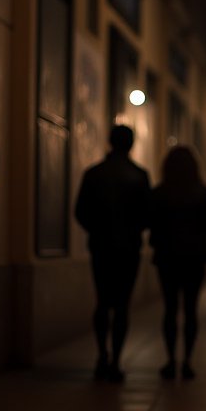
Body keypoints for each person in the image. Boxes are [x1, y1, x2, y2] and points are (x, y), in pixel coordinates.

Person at [74, 124, 151, 383]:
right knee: (122, 305)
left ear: (109, 142)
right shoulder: (140, 176)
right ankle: (116, 360)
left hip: (101, 246)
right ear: (130, 145)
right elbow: (146, 215)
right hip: (129, 249)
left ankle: (101, 356)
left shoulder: (94, 174)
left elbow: (80, 211)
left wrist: (98, 230)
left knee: (102, 301)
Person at [149, 146, 206, 380]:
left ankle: (170, 360)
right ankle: (187, 361)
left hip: (167, 257)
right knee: (191, 309)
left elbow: (151, 222)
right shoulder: (202, 193)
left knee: (170, 308)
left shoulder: (160, 192)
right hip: (194, 258)